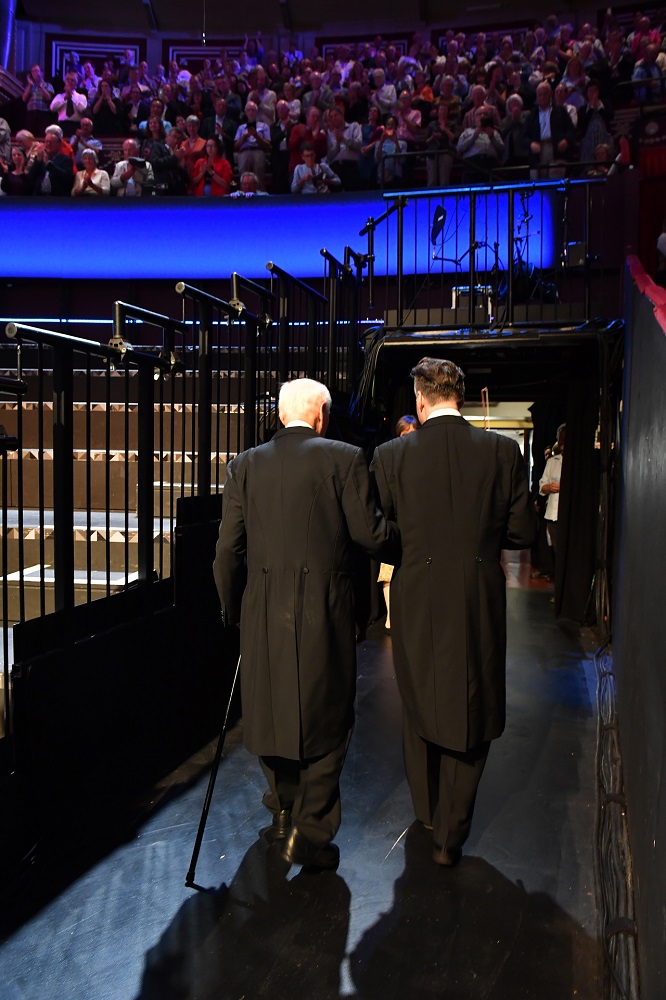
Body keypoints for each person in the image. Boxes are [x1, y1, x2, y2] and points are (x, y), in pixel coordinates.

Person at [213, 378, 396, 871]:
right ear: (321, 416)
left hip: (263, 611)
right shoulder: (344, 458)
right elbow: (370, 535)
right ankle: (309, 830)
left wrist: (235, 611)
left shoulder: (244, 466)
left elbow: (227, 554)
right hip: (324, 611)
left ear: (280, 415)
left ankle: (282, 812)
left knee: (273, 711)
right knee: (329, 718)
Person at [371, 358, 536, 867]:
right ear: (459, 397)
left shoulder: (388, 455)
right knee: (473, 701)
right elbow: (523, 533)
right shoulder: (503, 453)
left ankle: (426, 814)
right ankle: (450, 835)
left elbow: (383, 533)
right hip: (477, 592)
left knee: (419, 695)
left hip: (416, 591)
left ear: (419, 400)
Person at [377, 415, 418, 632]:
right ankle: (391, 615)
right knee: (387, 573)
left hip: (413, 527)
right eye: (404, 435)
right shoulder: (388, 458)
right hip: (393, 525)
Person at [539, 422, 565, 562]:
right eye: (560, 440)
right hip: (552, 515)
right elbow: (542, 486)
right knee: (556, 549)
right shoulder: (552, 462)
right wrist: (549, 487)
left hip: (568, 516)